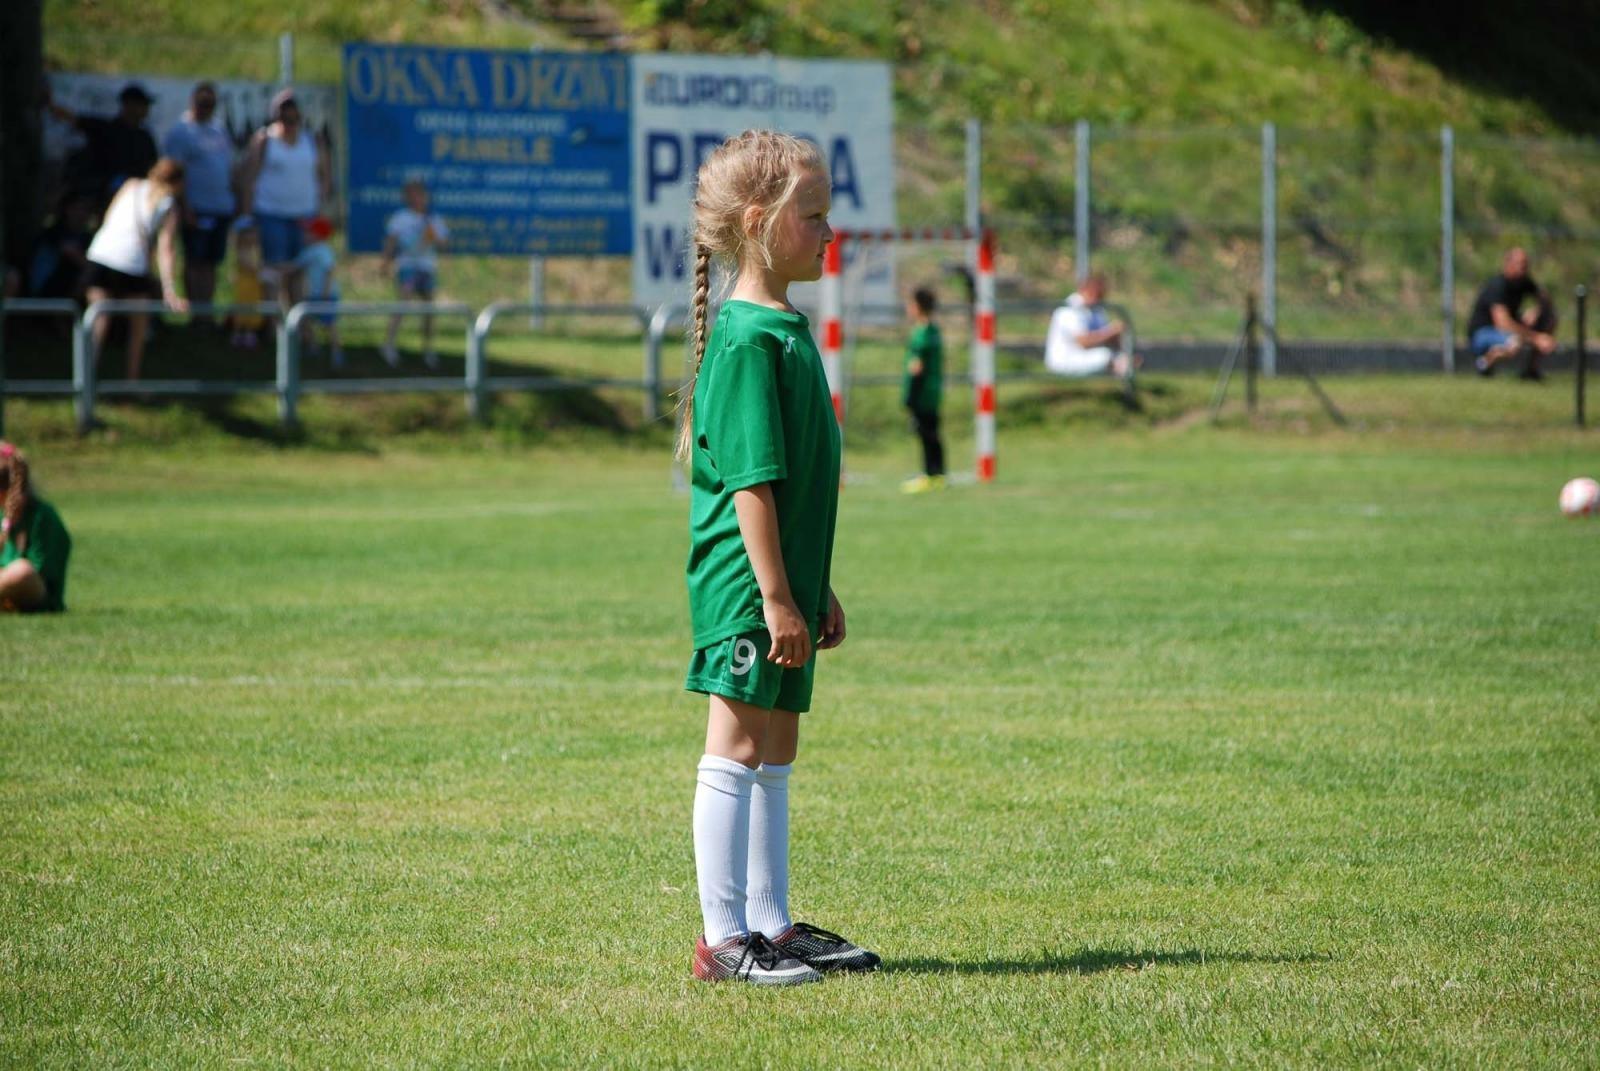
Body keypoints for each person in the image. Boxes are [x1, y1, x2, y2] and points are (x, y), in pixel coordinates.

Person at [678, 130, 878, 987]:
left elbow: (798, 486)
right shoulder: (750, 340)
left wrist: (812, 585)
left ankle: (773, 922)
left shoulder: (788, 328)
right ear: (759, 224)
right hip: (747, 588)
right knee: (735, 742)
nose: (831, 231)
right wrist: (774, 597)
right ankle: (723, 939)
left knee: (778, 740)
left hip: (783, 586)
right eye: (815, 215)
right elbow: (753, 488)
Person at [83, 157, 189, 381]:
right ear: (178, 183)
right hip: (131, 263)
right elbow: (167, 249)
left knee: (98, 320)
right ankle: (131, 380)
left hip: (100, 255)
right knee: (138, 328)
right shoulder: (168, 204)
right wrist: (169, 289)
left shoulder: (130, 185)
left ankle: (85, 382)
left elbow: (108, 218)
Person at [236, 88, 330, 314]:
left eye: (293, 112)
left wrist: (320, 214)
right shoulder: (265, 140)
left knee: (298, 273)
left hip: (304, 216)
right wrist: (248, 217)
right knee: (273, 272)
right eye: (284, 113)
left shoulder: (312, 141)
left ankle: (297, 327)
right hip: (271, 215)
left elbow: (325, 178)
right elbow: (249, 178)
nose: (289, 118)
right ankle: (273, 326)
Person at [161, 82, 237, 321]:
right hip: (196, 207)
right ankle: (196, 313)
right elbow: (174, 174)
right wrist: (185, 208)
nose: (206, 108)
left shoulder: (219, 131)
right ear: (192, 101)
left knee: (211, 262)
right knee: (195, 260)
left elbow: (229, 167)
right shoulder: (181, 132)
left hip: (220, 206)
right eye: (202, 103)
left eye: (211, 104)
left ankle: (207, 311)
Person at [47, 82, 159, 212]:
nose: (146, 109)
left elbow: (153, 167)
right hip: (103, 197)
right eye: (142, 104)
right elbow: (73, 119)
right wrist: (50, 105)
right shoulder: (107, 129)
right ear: (129, 105)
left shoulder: (145, 137)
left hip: (134, 199)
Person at [381, 180, 449, 369]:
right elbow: (391, 242)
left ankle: (428, 349)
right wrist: (386, 263)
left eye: (418, 194)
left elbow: (444, 245)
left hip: (427, 267)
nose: (416, 198)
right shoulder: (400, 218)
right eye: (411, 194)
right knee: (403, 302)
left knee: (429, 309)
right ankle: (389, 345)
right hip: (407, 266)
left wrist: (433, 235)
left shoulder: (433, 219)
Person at [0, 442, 72, 614]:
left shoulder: (43, 516)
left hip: (38, 594)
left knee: (21, 571)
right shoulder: (2, 516)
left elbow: (40, 572)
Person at [1467, 247, 1558, 381]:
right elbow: (1502, 324)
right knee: (1514, 342)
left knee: (1549, 319)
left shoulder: (1524, 282)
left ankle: (1531, 370)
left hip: (1506, 328)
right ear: (1507, 264)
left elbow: (1545, 299)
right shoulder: (1497, 286)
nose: (1523, 268)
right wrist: (1536, 338)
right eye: (1519, 264)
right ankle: (1485, 363)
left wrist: (1536, 310)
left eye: (1525, 265)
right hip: (1484, 332)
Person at [1044, 272, 1135, 377]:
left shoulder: (1096, 309)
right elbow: (1084, 342)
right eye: (1096, 294)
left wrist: (1120, 344)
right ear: (1085, 290)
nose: (1099, 298)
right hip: (1064, 359)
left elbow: (1104, 336)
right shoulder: (1069, 309)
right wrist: (1112, 332)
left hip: (1083, 355)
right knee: (1105, 356)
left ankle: (1126, 379)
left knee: (1121, 357)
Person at [901, 286, 946, 494]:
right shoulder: (935, 331)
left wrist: (910, 396)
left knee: (925, 434)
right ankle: (938, 474)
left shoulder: (921, 333)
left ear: (918, 307)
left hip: (921, 392)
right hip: (934, 390)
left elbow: (916, 367)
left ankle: (929, 474)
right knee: (933, 433)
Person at [26, 190, 95, 302]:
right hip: (45, 291)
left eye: (86, 209)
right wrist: (91, 268)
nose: (82, 213)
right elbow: (76, 256)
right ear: (67, 209)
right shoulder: (53, 233)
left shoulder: (86, 236)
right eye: (78, 208)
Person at [294, 216, 343, 369]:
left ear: (317, 234)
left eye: (309, 232)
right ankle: (313, 347)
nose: (305, 234)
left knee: (330, 325)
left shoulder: (323, 250)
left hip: (325, 295)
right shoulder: (309, 251)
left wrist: (325, 293)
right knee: (305, 320)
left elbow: (329, 271)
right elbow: (295, 266)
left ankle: (337, 352)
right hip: (313, 295)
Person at [228, 219, 266, 350]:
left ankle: (250, 334)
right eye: (250, 233)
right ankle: (238, 334)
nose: (254, 236)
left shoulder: (255, 250)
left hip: (254, 287)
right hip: (245, 287)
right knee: (243, 310)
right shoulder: (241, 251)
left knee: (253, 309)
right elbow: (249, 267)